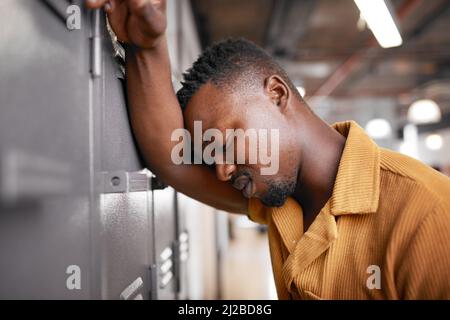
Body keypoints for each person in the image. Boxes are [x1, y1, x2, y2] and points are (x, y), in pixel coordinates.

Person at [86, 0, 450, 299]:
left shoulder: (429, 215)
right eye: (213, 154)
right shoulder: (280, 199)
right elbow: (171, 158)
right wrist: (146, 45)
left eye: (226, 144)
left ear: (276, 94)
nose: (222, 171)